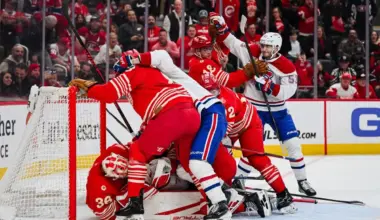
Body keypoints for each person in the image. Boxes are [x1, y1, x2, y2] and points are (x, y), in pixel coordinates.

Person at [69, 49, 201, 219]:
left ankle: (134, 202)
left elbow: (108, 94)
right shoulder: (156, 73)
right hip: (191, 115)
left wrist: (90, 88)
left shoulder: (133, 71)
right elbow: (153, 122)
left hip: (172, 115)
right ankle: (215, 196)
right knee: (186, 161)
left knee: (138, 152)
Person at [209, 12, 317, 201]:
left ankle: (302, 181)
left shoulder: (286, 65)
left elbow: (289, 90)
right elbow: (234, 44)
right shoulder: (253, 52)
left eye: (268, 46)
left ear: (276, 48)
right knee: (252, 150)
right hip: (253, 109)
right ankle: (239, 181)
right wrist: (223, 27)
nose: (264, 49)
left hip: (278, 111)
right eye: (263, 45)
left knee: (293, 146)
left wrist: (270, 87)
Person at [117, 49, 233, 219]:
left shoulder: (164, 72)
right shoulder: (150, 84)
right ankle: (219, 193)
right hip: (196, 122)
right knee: (187, 166)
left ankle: (221, 203)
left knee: (197, 164)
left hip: (208, 112)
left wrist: (137, 59)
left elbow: (162, 56)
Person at [198, 70, 291, 215]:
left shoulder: (224, 101)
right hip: (232, 126)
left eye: (214, 89)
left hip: (248, 124)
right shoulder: (199, 96)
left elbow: (223, 135)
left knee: (256, 159)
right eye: (208, 90)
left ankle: (283, 194)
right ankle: (226, 190)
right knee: (219, 159)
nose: (212, 92)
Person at [188, 35, 264, 89]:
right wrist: (248, 73)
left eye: (210, 48)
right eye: (205, 49)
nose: (209, 52)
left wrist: (223, 66)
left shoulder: (195, 60)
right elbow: (228, 81)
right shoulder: (202, 63)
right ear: (197, 51)